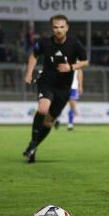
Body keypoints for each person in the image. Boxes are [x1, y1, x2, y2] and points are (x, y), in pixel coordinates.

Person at [22, 15, 89, 162]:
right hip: (46, 83)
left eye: (61, 27)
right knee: (43, 109)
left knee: (48, 122)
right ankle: (33, 144)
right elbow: (34, 56)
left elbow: (85, 62)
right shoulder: (44, 42)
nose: (58, 30)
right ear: (52, 28)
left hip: (64, 89)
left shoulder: (74, 44)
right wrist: (28, 73)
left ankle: (33, 147)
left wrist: (70, 67)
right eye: (55, 27)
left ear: (67, 27)